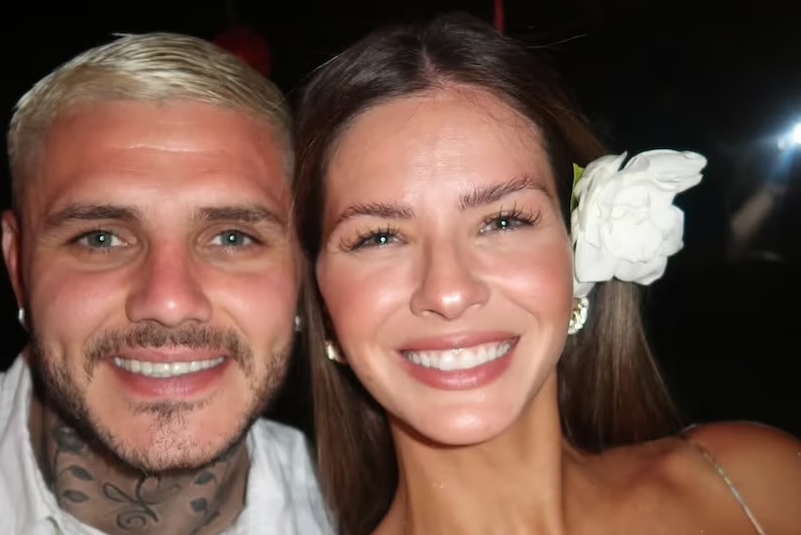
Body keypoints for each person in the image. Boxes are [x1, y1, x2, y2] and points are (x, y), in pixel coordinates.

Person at [292, 12, 801, 535]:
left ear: (574, 249)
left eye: (502, 221)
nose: (448, 292)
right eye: (380, 237)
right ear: (324, 304)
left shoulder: (756, 486)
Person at [0, 32, 330, 535]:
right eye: (100, 239)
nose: (168, 302)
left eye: (233, 237)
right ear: (17, 267)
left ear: (299, 268)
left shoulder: (351, 512)